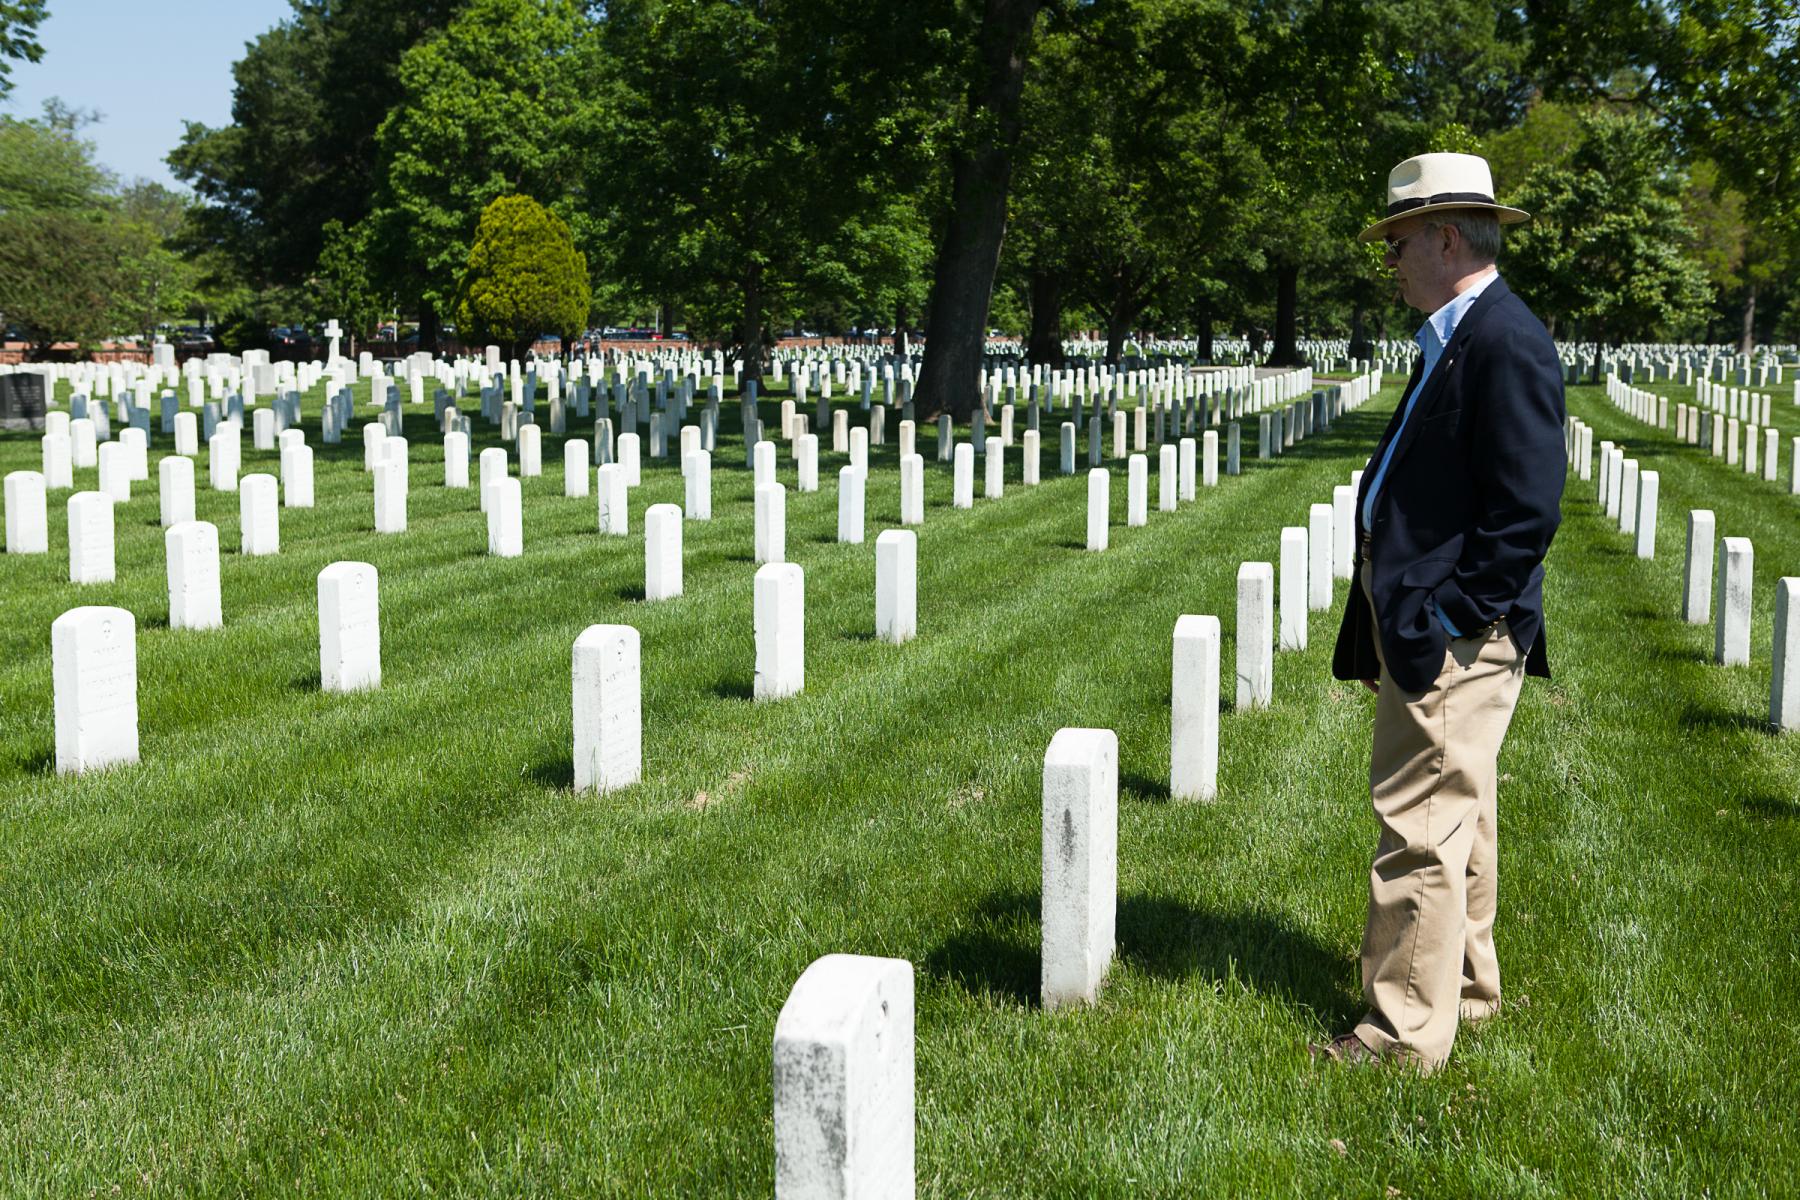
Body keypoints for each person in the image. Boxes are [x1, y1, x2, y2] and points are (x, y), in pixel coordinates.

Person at [1313, 152, 1565, 1072]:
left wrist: (1452, 619)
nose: (1392, 263)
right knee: (1463, 811)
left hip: (1453, 629)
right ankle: (1463, 989)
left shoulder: (1504, 339)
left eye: (1400, 243)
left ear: (1447, 237)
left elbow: (1528, 508)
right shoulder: (1462, 331)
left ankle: (1401, 1035)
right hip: (1428, 613)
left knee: (1419, 821)